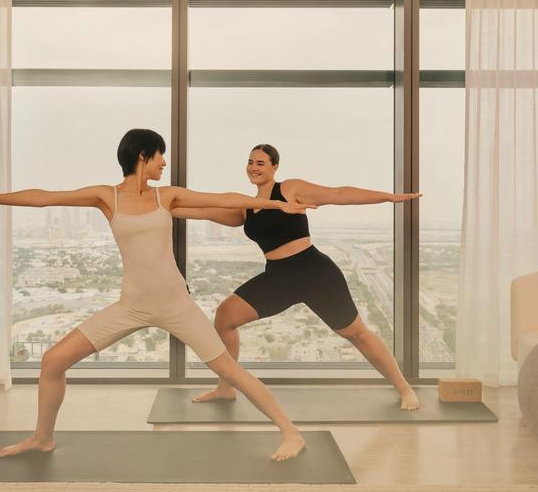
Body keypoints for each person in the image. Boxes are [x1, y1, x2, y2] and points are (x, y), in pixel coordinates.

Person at [0, 129, 314, 461]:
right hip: (131, 306)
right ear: (142, 156)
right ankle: (42, 439)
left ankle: (291, 432)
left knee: (230, 371)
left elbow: (226, 198)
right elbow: (45, 197)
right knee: (53, 361)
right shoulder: (106, 197)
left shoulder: (166, 196)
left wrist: (278, 204)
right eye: (160, 156)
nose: (164, 162)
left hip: (176, 307)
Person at [176, 143, 422, 410]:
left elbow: (338, 194)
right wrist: (163, 206)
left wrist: (388, 197)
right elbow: (200, 211)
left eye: (260, 163)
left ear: (274, 167)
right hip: (277, 279)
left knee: (357, 334)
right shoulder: (246, 208)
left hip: (315, 273)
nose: (253, 167)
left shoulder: (290, 189)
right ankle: (225, 389)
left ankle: (404, 388)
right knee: (225, 316)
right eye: (250, 162)